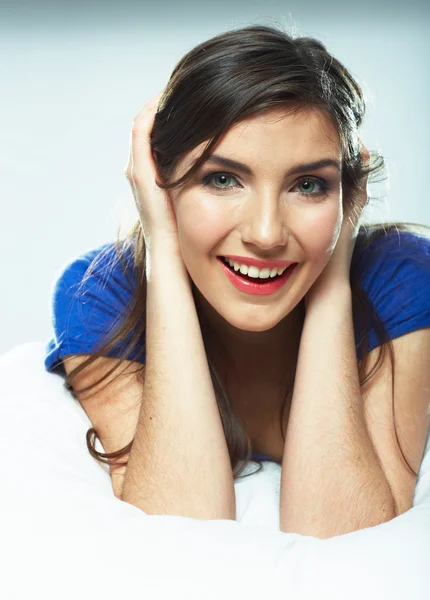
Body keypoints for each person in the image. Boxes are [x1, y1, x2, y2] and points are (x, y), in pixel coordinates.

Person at [44, 24, 430, 537]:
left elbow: (341, 531)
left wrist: (334, 272)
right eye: (222, 178)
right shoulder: (98, 292)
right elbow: (183, 531)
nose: (266, 233)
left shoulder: (400, 274)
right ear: (159, 183)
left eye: (309, 185)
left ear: (347, 194)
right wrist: (162, 242)